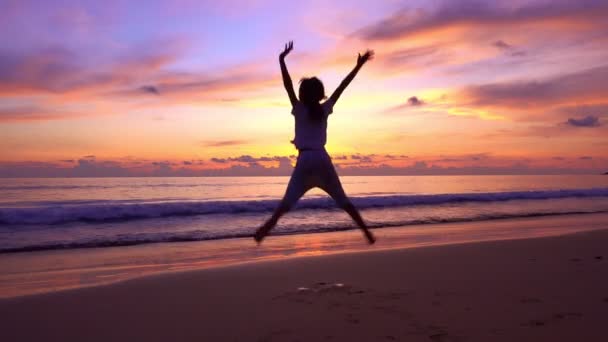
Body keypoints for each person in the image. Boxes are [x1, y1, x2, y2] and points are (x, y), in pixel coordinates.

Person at [254, 41, 376, 244]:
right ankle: (366, 231)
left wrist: (281, 60)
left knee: (286, 202)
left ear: (303, 94)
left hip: (305, 160)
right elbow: (342, 87)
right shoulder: (324, 108)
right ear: (320, 94)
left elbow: (287, 86)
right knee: (343, 200)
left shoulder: (299, 108)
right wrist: (358, 65)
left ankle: (267, 228)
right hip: (321, 157)